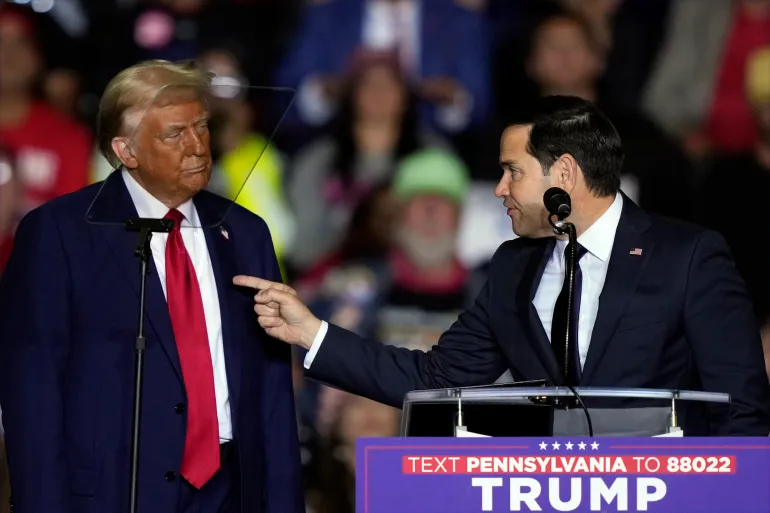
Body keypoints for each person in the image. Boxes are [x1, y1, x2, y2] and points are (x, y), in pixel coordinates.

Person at [234, 95, 770, 436]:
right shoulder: (514, 266)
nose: (498, 189)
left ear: (563, 171)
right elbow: (437, 378)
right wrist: (313, 334)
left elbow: (740, 408)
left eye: (512, 171)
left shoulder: (689, 255)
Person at [0, 60, 304, 513]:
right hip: (111, 494)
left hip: (232, 492)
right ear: (127, 150)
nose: (198, 146)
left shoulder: (245, 232)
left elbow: (272, 389)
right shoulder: (58, 233)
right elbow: (33, 392)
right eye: (174, 134)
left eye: (202, 126)